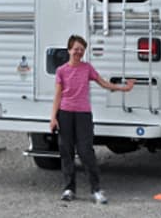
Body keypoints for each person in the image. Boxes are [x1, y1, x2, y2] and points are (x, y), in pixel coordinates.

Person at [49, 34, 135, 204]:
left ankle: (96, 190)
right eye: (76, 49)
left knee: (86, 151)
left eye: (81, 50)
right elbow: (58, 95)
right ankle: (69, 188)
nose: (78, 52)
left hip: (83, 114)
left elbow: (103, 83)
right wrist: (53, 118)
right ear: (69, 50)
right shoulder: (61, 71)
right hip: (65, 113)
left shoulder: (87, 68)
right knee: (66, 151)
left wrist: (124, 88)